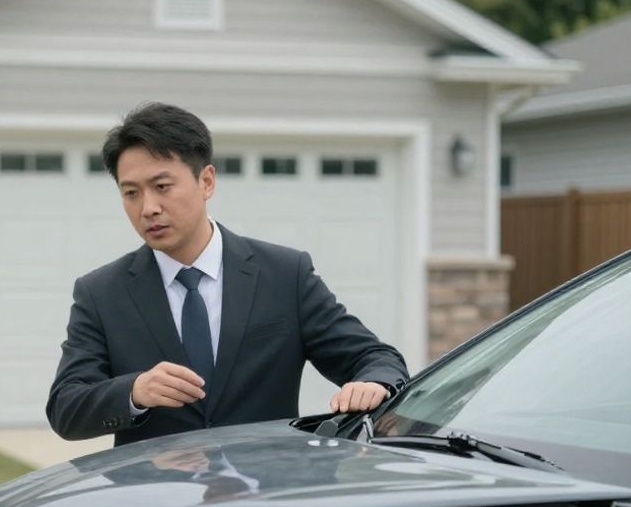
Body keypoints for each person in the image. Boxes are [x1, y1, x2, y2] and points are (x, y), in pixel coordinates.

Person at [47, 102, 408, 447]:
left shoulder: (284, 275)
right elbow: (66, 407)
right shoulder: (101, 293)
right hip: (154, 499)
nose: (148, 208)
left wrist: (374, 383)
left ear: (206, 182)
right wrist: (134, 392)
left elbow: (376, 358)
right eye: (131, 193)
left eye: (162, 187)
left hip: (263, 495)